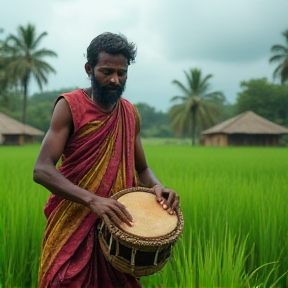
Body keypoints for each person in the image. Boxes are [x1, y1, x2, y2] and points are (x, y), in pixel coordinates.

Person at [33, 32, 179, 288]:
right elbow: (42, 169)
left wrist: (157, 186)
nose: (114, 80)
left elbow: (142, 167)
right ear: (89, 68)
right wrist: (93, 200)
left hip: (119, 229)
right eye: (106, 71)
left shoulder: (129, 113)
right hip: (73, 223)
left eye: (121, 73)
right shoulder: (70, 106)